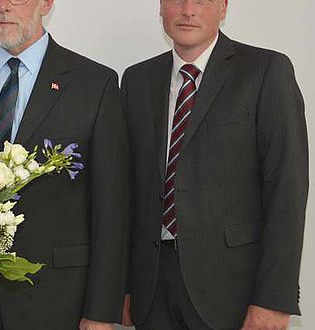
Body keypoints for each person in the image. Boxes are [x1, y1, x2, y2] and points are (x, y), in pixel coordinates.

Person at [0, 0, 129, 329]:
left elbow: (111, 209)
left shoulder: (94, 84)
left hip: (59, 299)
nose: (4, 7)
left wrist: (101, 312)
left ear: (46, 3)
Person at [121, 0, 307, 329]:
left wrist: (274, 299)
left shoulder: (265, 71)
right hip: (150, 289)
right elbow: (125, 192)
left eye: (202, 1)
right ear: (161, 8)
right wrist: (119, 288)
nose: (188, 10)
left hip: (232, 290)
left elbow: (287, 189)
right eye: (177, 0)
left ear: (223, 8)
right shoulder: (136, 80)